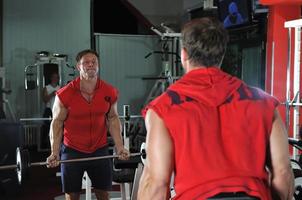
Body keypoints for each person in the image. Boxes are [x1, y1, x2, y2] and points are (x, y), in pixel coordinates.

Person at [137, 17, 294, 200]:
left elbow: (157, 185)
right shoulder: (264, 103)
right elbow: (283, 173)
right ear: (221, 54)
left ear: (183, 54)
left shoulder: (162, 108)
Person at [46, 49, 130, 200]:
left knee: (103, 195)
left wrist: (119, 146)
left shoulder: (109, 91)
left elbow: (113, 118)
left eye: (94, 62)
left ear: (98, 66)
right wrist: (54, 151)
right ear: (78, 66)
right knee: (72, 196)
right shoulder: (65, 94)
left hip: (99, 149)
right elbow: (57, 123)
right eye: (86, 62)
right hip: (72, 150)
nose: (91, 65)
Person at [41, 72, 60, 148]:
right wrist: (52, 94)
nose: (55, 79)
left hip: (57, 110)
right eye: (54, 77)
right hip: (49, 110)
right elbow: (45, 100)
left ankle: (56, 144)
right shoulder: (46, 88)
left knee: (57, 127)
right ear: (51, 78)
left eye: (57, 77)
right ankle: (45, 144)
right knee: (47, 127)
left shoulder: (60, 88)